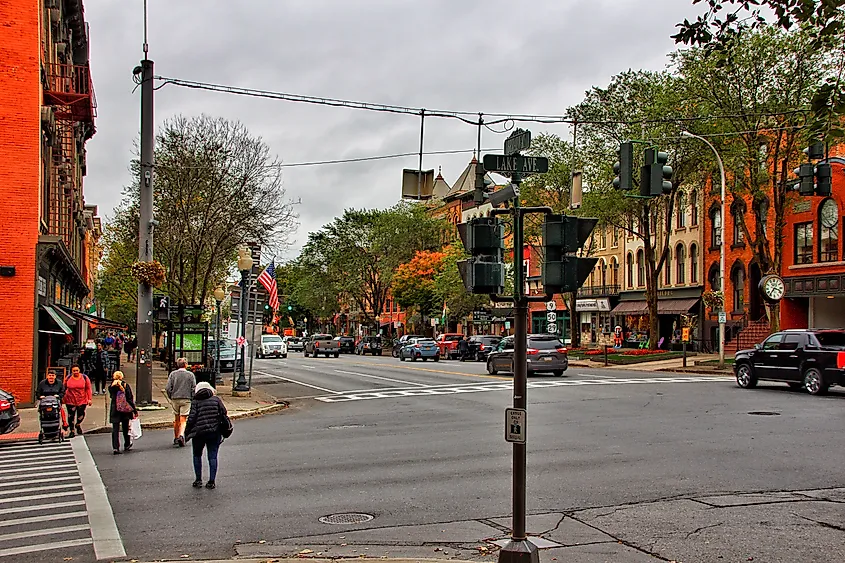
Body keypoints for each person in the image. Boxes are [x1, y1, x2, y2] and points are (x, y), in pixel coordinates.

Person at [185, 382, 229, 490]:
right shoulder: (216, 400)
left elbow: (191, 419)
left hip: (199, 433)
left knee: (197, 455)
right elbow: (224, 413)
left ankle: (198, 479)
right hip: (214, 432)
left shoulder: (195, 401)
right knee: (212, 456)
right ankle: (211, 481)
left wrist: (186, 433)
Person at [165, 357, 196, 447]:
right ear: (186, 365)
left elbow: (168, 388)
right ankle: (181, 435)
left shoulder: (173, 374)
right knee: (183, 419)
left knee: (176, 418)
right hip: (186, 398)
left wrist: (171, 396)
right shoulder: (190, 375)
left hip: (175, 398)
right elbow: (193, 388)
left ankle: (176, 437)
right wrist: (192, 397)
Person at [108, 371, 138, 455]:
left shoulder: (111, 387)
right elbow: (129, 398)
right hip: (125, 410)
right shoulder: (125, 385)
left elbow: (111, 396)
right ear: (121, 377)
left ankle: (115, 447)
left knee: (115, 429)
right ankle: (127, 444)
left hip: (115, 409)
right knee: (125, 428)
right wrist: (134, 410)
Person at [63, 365, 92, 437]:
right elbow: (63, 387)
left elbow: (88, 388)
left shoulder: (84, 378)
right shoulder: (68, 378)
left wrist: (89, 399)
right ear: (71, 371)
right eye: (74, 371)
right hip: (70, 399)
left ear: (79, 370)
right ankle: (72, 430)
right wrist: (62, 397)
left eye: (77, 370)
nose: (75, 372)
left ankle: (78, 424)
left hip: (82, 399)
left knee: (81, 415)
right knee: (71, 416)